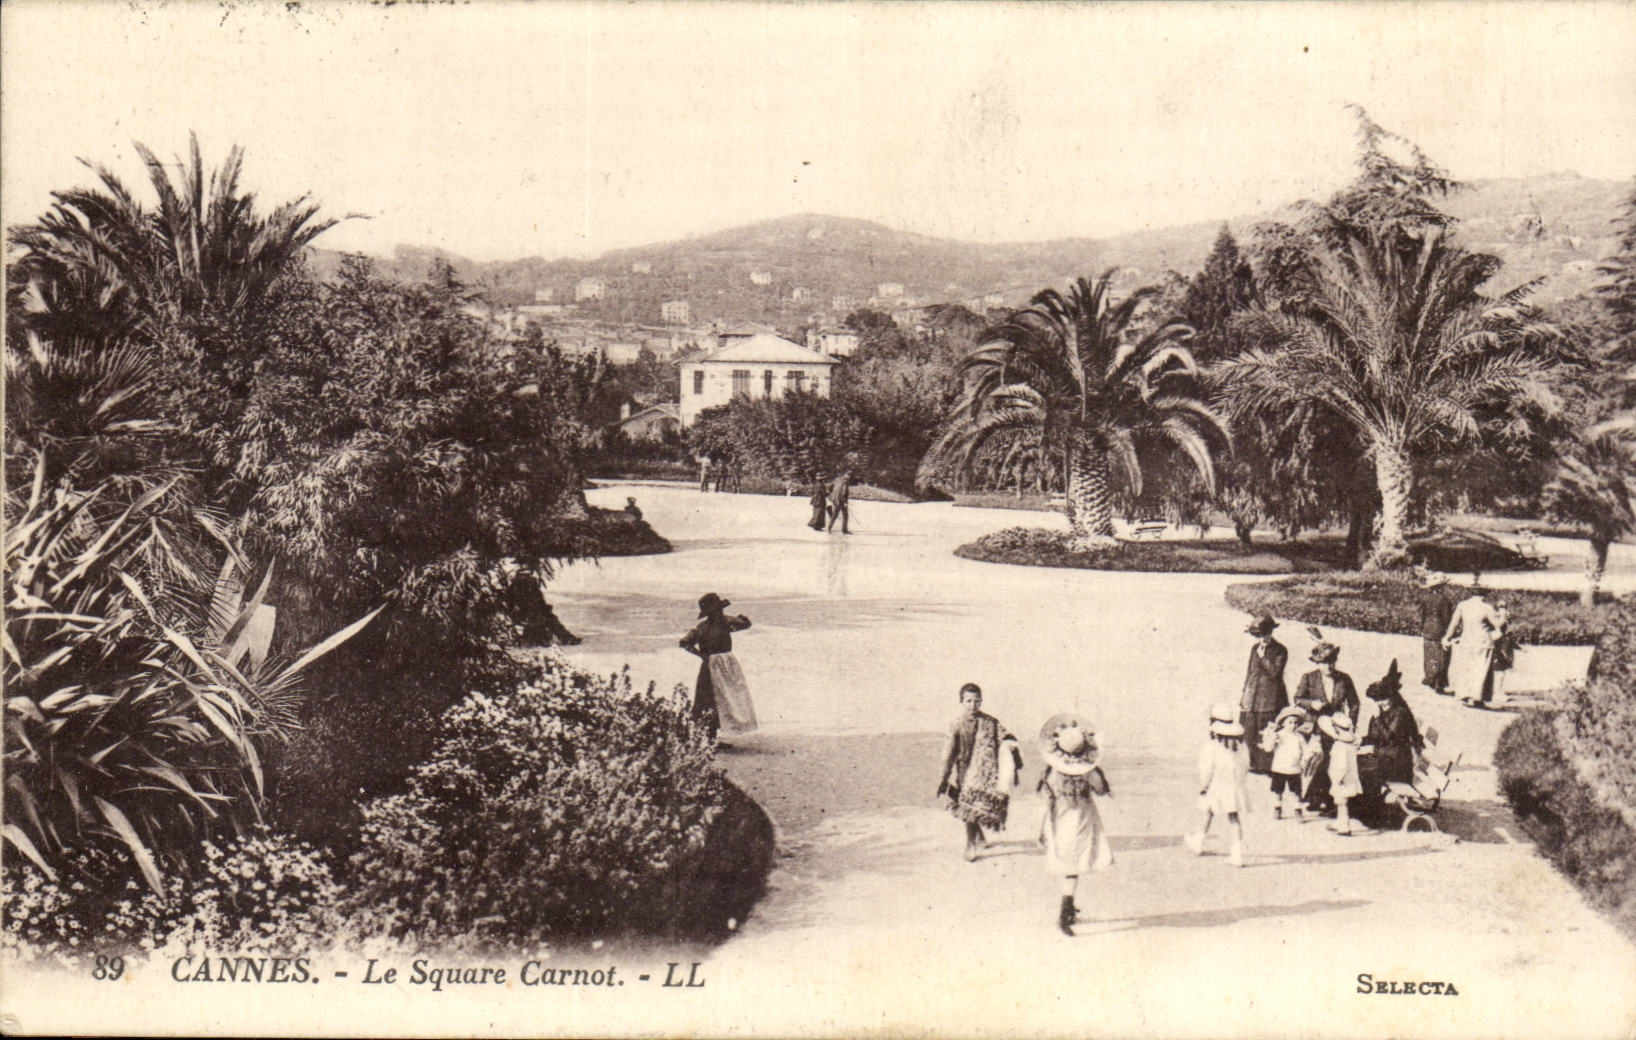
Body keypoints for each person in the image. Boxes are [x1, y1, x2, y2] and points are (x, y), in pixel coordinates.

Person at [1037, 712, 1113, 936]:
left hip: (1060, 822)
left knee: (1068, 867)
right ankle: (1066, 909)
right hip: (1083, 821)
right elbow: (1101, 789)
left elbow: (1044, 801)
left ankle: (1068, 907)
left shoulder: (1051, 773)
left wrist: (1039, 830)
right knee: (1074, 866)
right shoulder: (1089, 772)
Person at [937, 683, 1020, 862]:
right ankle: (976, 839)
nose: (973, 705)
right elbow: (948, 753)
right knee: (967, 806)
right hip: (963, 770)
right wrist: (944, 777)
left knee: (973, 806)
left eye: (976, 701)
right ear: (961, 701)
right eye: (968, 701)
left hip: (984, 771)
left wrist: (1010, 742)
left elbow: (1004, 735)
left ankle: (972, 843)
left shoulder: (990, 722)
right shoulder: (956, 725)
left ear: (981, 701)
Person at [1292, 632, 1358, 815]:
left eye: (1331, 662)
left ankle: (1330, 802)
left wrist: (1350, 724)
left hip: (1335, 727)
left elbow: (1354, 703)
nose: (1328, 666)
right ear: (1317, 663)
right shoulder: (1309, 677)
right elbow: (1297, 698)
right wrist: (1311, 703)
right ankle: (1314, 798)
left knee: (1333, 762)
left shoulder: (1344, 679)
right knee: (1315, 761)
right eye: (1323, 662)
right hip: (1314, 725)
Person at [679, 593, 757, 744]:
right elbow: (684, 642)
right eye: (717, 610)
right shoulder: (705, 627)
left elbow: (745, 624)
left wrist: (743, 619)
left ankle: (711, 738)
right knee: (710, 700)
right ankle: (709, 738)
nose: (720, 612)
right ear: (712, 612)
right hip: (713, 666)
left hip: (724, 664)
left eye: (720, 609)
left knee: (726, 698)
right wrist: (703, 656)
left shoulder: (724, 622)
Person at [1356, 660, 1425, 824]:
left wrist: (1376, 725)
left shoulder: (1400, 714)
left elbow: (1389, 737)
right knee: (1359, 765)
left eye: (1384, 699)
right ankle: (1366, 809)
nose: (1381, 703)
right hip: (1390, 758)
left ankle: (1371, 814)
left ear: (1392, 696)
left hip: (1399, 764)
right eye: (1377, 700)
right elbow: (1377, 736)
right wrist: (1362, 740)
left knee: (1367, 771)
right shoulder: (1386, 713)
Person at [1185, 703, 1250, 867]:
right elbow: (1245, 766)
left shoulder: (1212, 745)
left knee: (1209, 811)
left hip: (1218, 785)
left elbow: (1206, 769)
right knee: (1233, 817)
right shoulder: (1241, 746)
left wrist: (1203, 786)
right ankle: (1237, 853)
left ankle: (1198, 841)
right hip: (1235, 786)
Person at [1240, 614, 1289, 775]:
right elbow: (1250, 672)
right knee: (1249, 728)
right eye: (1260, 635)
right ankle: (1251, 763)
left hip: (1269, 697)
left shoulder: (1280, 650)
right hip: (1252, 695)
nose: (1263, 638)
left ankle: (1266, 766)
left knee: (1266, 729)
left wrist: (1263, 657)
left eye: (1265, 634)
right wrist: (1244, 694)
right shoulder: (1254, 648)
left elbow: (1276, 673)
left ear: (1270, 633)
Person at [1443, 588, 1503, 707]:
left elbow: (1454, 623)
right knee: (1480, 671)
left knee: (1466, 668)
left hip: (1467, 641)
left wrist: (1447, 637)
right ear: (1484, 595)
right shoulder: (1487, 607)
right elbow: (1498, 624)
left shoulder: (1462, 605)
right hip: (1483, 642)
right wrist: (1502, 611)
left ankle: (1464, 694)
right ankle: (1477, 698)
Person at [1260, 705, 1311, 820]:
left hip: (1294, 768)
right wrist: (1271, 736)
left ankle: (1298, 810)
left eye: (1295, 723)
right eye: (1290, 722)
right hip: (1280, 768)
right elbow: (1268, 748)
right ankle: (1277, 808)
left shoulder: (1299, 737)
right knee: (1278, 790)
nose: (1293, 725)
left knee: (1296, 791)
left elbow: (1306, 750)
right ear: (1283, 723)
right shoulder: (1279, 735)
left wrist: (1304, 761)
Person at [1320, 712, 1363, 835]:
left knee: (1342, 803)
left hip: (1342, 778)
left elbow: (1341, 765)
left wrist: (1337, 778)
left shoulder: (1339, 745)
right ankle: (1340, 821)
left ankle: (1344, 826)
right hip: (1350, 777)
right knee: (1341, 802)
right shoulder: (1350, 744)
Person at [1417, 569, 1456, 694]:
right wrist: (1450, 632)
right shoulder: (1444, 600)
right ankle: (1439, 682)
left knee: (1429, 654)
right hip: (1439, 629)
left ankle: (1430, 678)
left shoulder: (1425, 598)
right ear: (1441, 586)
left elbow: (1422, 615)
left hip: (1427, 628)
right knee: (1442, 656)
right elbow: (1447, 618)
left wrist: (1422, 627)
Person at [1487, 598, 1516, 708]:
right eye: (1501, 607)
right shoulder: (1499, 629)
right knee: (1499, 672)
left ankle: (1497, 691)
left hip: (1502, 649)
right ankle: (1497, 693)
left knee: (1500, 672)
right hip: (1499, 650)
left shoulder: (1500, 623)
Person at [827, 469, 852, 534]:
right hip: (841, 501)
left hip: (835, 500)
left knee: (835, 514)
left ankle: (829, 528)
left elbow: (829, 488)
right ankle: (844, 530)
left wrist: (832, 495)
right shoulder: (845, 482)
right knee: (845, 515)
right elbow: (844, 492)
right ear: (847, 475)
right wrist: (845, 502)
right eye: (849, 476)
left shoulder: (837, 479)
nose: (849, 477)